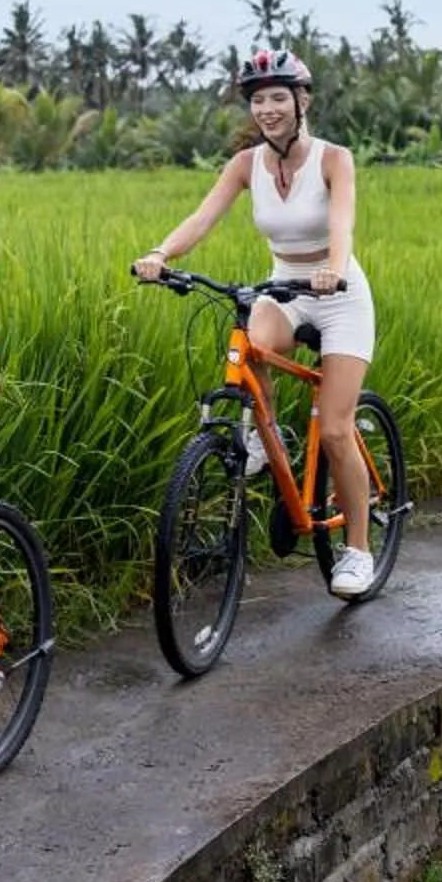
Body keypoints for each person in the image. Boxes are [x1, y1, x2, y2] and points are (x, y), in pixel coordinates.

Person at [129, 48, 383, 599]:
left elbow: (343, 223)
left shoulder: (334, 159)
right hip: (284, 286)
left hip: (338, 295)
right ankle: (267, 442)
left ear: (302, 100)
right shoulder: (246, 165)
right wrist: (161, 253)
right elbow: (203, 217)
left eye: (278, 97)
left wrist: (334, 269)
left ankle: (359, 551)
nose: (267, 109)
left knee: (335, 429)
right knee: (248, 345)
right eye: (259, 100)